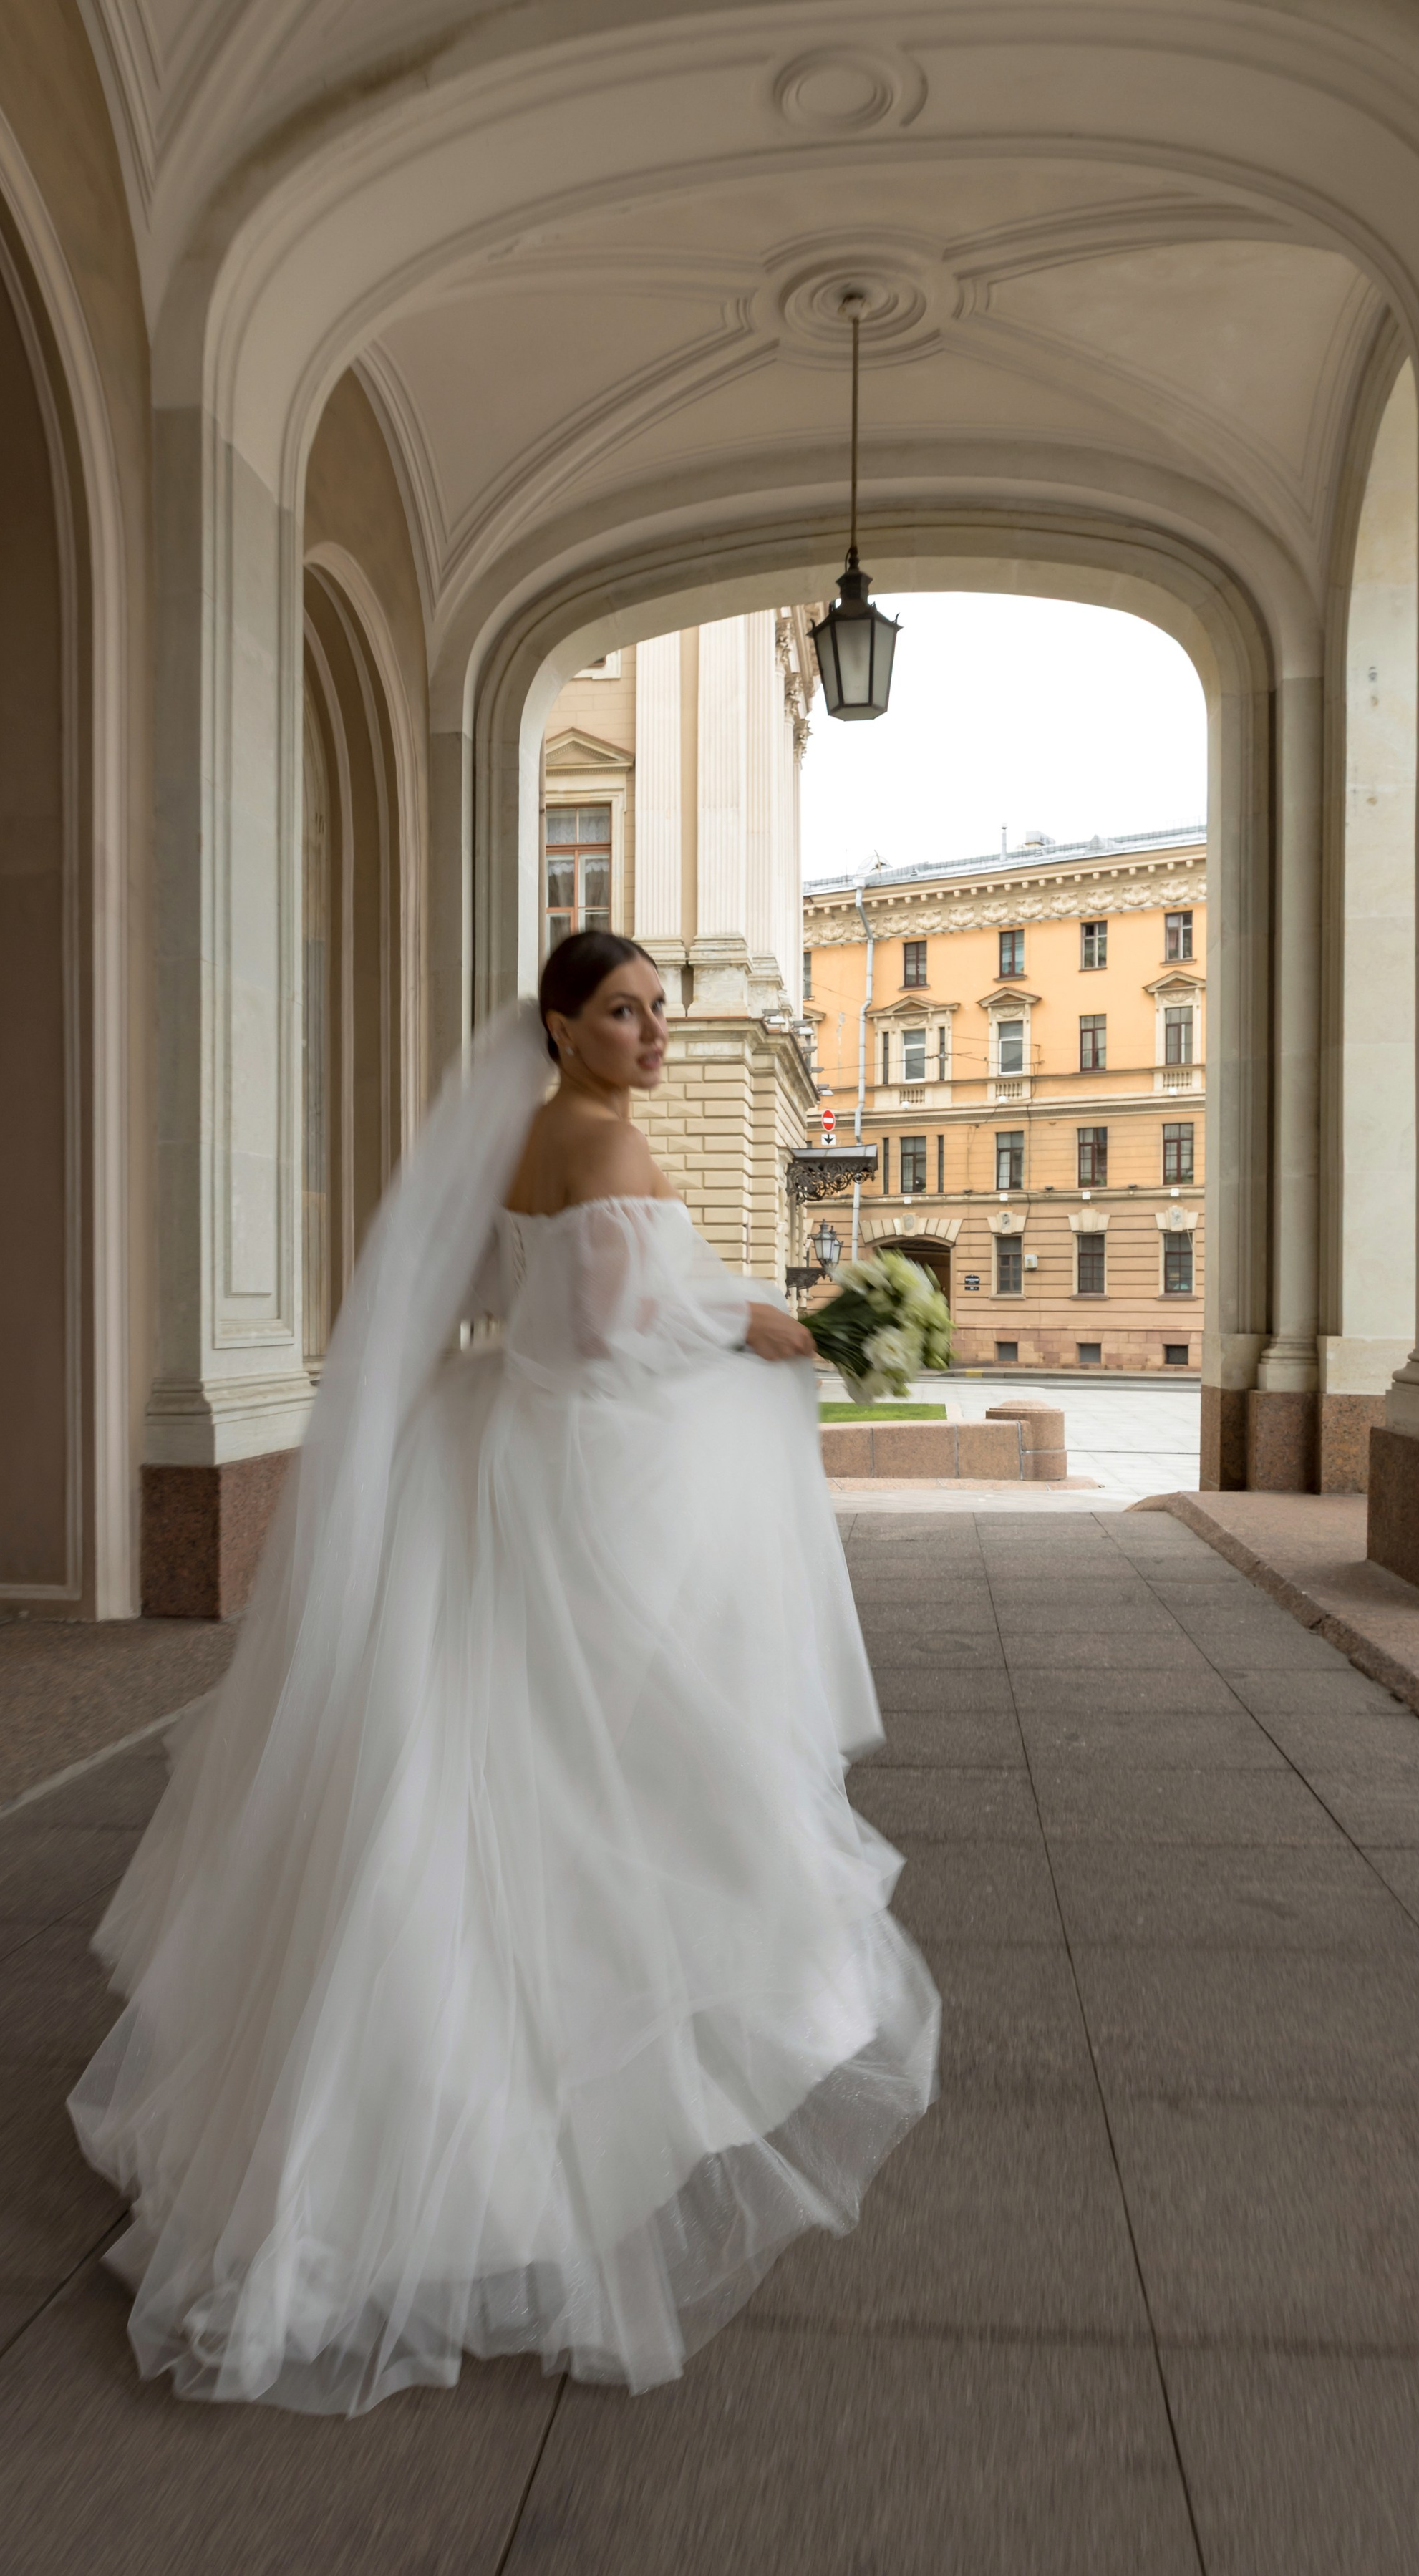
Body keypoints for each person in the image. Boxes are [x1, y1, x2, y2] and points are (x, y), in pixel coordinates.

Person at [70, 930, 938, 2413]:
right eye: (623, 1011)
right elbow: (605, 1333)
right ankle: (518, 2156)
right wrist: (762, 1323)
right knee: (590, 1786)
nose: (653, 1033)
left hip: (496, 1455)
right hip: (573, 1478)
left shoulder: (539, 1133)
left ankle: (396, 2141)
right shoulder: (594, 1143)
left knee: (461, 1788)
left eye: (659, 1010)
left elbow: (511, 1306)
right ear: (560, 1024)